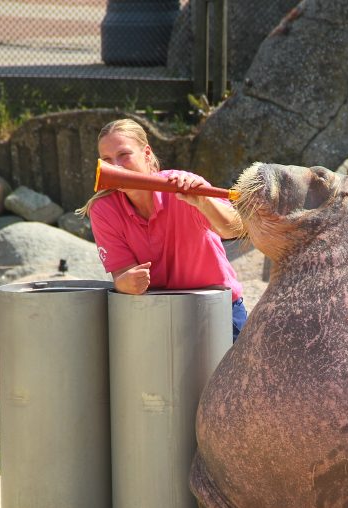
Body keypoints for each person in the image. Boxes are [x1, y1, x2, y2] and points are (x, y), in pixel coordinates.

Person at [78, 119, 247, 341]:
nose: (116, 166)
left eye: (124, 155)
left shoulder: (183, 184)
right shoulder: (103, 210)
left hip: (218, 306)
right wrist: (126, 283)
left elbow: (235, 228)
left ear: (147, 154)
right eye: (107, 160)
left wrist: (203, 201)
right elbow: (121, 274)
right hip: (154, 312)